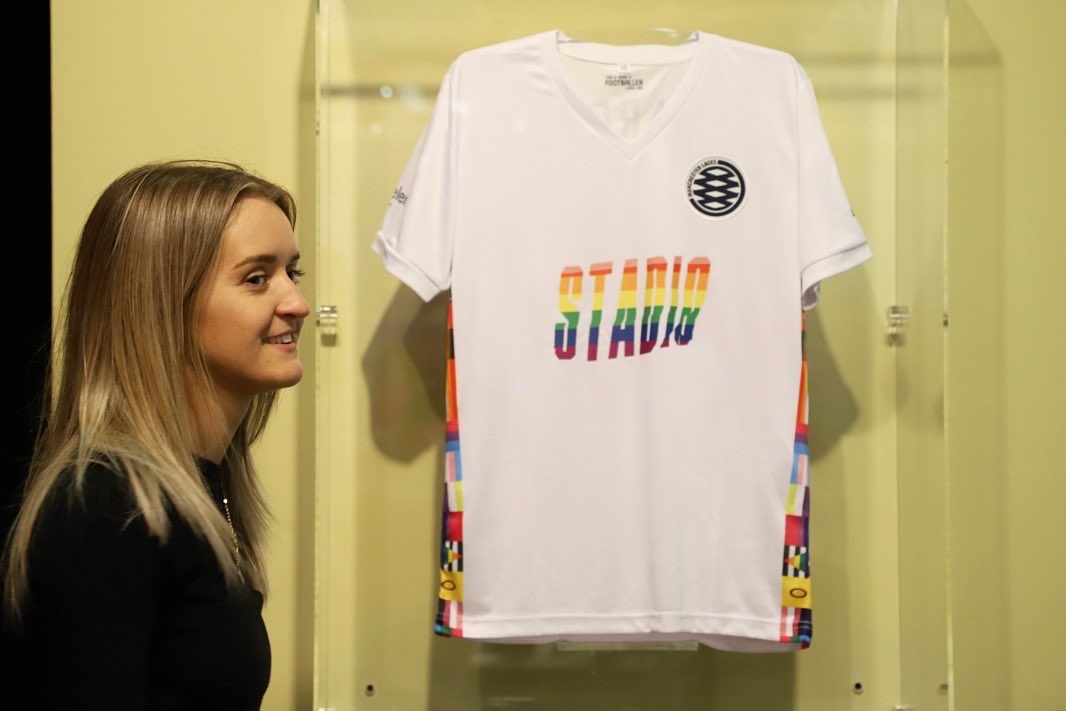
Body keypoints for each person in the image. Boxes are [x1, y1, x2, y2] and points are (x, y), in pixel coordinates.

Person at [0, 159, 310, 709]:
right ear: (163, 304)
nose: (297, 303)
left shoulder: (198, 484)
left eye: (293, 272)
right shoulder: (103, 507)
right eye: (257, 278)